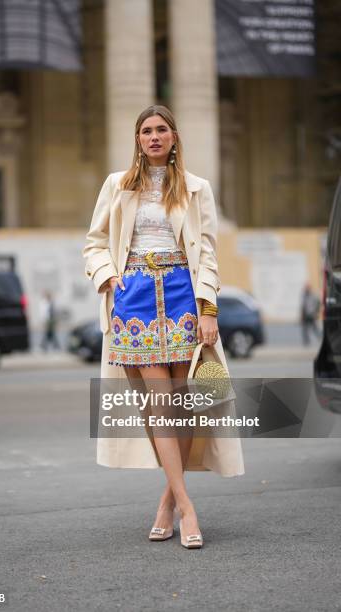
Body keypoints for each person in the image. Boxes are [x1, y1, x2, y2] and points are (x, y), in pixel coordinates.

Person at [83, 105, 244, 549]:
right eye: (146, 131)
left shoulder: (197, 188)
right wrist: (108, 277)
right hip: (134, 300)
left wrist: (209, 308)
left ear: (174, 138)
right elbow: (94, 242)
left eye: (161, 130)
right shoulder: (117, 185)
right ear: (138, 139)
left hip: (183, 297)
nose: (153, 137)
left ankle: (168, 502)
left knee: (187, 400)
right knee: (160, 404)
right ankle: (188, 507)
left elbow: (208, 252)